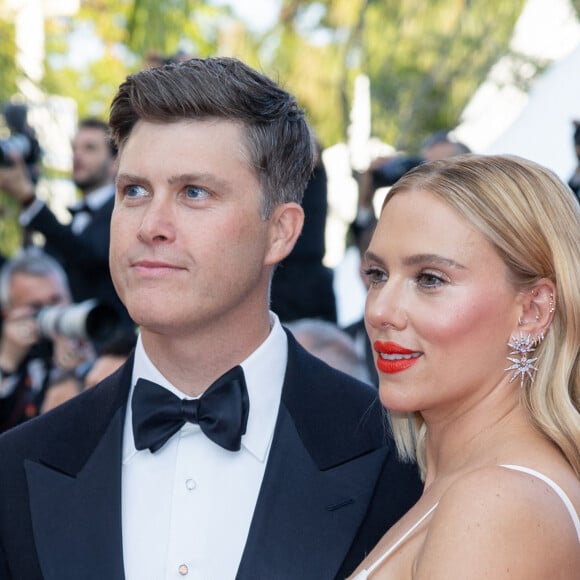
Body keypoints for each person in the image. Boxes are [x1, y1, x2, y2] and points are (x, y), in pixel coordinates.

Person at [0, 57, 422, 580]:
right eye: (134, 191)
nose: (151, 224)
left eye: (193, 193)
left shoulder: (402, 457)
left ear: (281, 232)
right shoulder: (16, 467)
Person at [350, 153, 580, 579]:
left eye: (430, 279)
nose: (381, 310)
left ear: (532, 311)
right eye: (377, 274)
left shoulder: (497, 503)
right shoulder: (465, 487)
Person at [0, 117, 132, 328]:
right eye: (74, 148)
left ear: (115, 164)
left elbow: (87, 255)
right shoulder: (73, 222)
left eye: (90, 148)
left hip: (106, 343)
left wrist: (29, 198)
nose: (77, 155)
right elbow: (36, 267)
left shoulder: (124, 211)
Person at [0, 248, 94, 432]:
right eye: (36, 307)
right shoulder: (9, 356)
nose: (50, 314)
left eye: (56, 301)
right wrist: (7, 362)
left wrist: (81, 372)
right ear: (7, 313)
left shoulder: (97, 338)